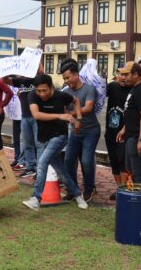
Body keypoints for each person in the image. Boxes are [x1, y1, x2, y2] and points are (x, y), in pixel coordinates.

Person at [22, 74, 88, 211]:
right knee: (61, 171)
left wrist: (79, 118)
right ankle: (77, 194)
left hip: (59, 136)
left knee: (42, 162)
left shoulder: (61, 96)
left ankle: (36, 198)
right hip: (43, 138)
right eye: (39, 91)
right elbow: (36, 115)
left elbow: (75, 101)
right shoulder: (33, 96)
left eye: (44, 90)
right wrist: (61, 115)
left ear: (51, 87)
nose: (42, 94)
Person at [61, 61, 101, 202]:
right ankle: (73, 190)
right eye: (64, 79)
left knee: (86, 160)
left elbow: (88, 107)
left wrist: (71, 113)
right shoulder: (65, 92)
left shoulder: (89, 89)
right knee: (68, 160)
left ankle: (89, 189)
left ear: (76, 75)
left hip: (91, 131)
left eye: (68, 77)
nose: (67, 81)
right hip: (75, 132)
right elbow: (62, 110)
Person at [116, 62, 141, 185]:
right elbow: (132, 112)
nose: (124, 77)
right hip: (131, 135)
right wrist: (124, 129)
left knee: (138, 173)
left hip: (138, 136)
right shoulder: (135, 88)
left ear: (136, 74)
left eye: (126, 75)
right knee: (130, 169)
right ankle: (134, 199)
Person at [9, 64, 44, 178]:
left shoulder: (37, 80)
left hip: (36, 117)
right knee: (27, 144)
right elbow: (5, 80)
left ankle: (40, 169)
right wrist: (5, 68)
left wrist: (37, 63)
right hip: (24, 117)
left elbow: (41, 73)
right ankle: (30, 167)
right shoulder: (20, 81)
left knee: (39, 144)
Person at [105, 71, 131, 200]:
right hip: (110, 131)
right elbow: (99, 95)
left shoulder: (133, 90)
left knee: (122, 161)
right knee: (114, 160)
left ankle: (123, 189)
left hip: (124, 132)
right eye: (121, 74)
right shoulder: (112, 87)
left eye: (126, 75)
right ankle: (119, 188)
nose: (123, 77)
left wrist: (125, 129)